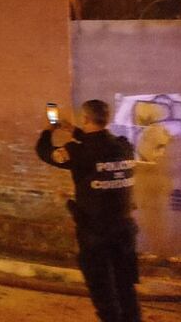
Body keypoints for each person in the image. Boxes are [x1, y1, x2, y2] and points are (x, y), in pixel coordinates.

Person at [36, 99, 141, 322]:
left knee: (104, 294)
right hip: (125, 231)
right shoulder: (124, 147)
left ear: (85, 119)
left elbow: (45, 152)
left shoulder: (78, 152)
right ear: (107, 118)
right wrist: (73, 130)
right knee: (125, 289)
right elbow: (100, 146)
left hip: (95, 233)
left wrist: (50, 128)